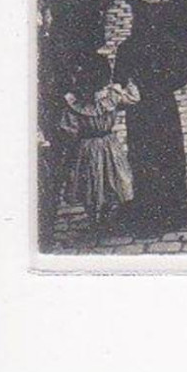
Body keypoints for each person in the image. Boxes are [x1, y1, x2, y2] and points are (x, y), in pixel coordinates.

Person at [113, 0, 187, 238]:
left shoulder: (130, 47)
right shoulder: (167, 44)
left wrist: (135, 89)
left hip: (143, 111)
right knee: (165, 156)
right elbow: (181, 77)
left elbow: (117, 80)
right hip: (161, 109)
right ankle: (171, 211)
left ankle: (154, 211)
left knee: (148, 157)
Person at [58, 52, 138, 238]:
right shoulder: (111, 96)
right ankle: (107, 214)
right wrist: (129, 83)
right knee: (114, 179)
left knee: (91, 182)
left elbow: (68, 129)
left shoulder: (75, 103)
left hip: (86, 147)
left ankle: (94, 218)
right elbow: (133, 98)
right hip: (109, 144)